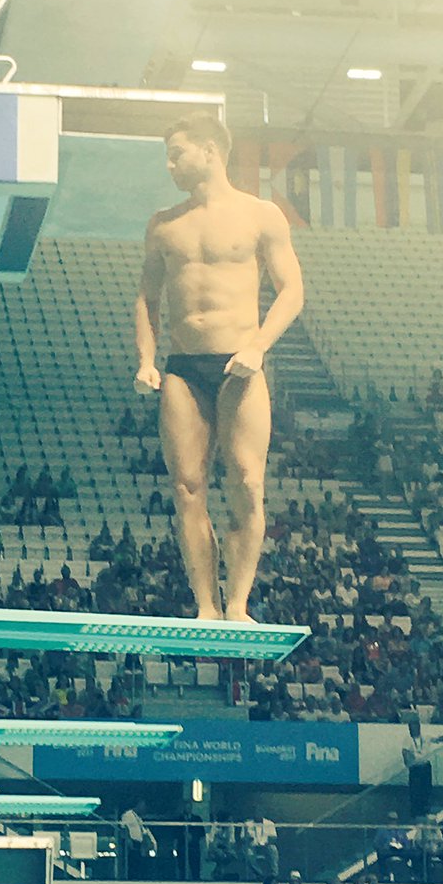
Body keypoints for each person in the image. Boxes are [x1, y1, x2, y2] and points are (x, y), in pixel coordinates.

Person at [133, 115, 304, 620]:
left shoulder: (261, 215)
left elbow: (293, 290)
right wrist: (146, 359)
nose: (169, 164)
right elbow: (147, 296)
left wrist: (258, 346)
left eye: (176, 153)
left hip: (240, 365)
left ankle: (238, 602)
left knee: (248, 482)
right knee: (187, 487)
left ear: (209, 150)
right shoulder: (164, 223)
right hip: (183, 367)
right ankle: (206, 604)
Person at [121, 800, 156, 880]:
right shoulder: (128, 815)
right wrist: (128, 839)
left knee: (138, 863)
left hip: (139, 844)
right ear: (138, 805)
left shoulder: (138, 818)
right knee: (132, 863)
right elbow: (124, 827)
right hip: (132, 843)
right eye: (143, 806)